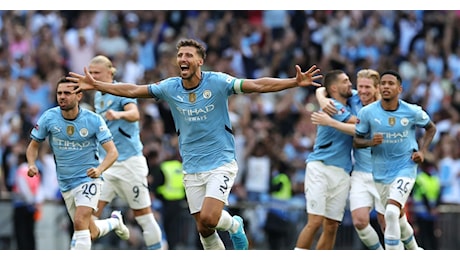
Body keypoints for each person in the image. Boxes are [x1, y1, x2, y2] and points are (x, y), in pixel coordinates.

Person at [67, 38, 322, 250]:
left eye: (188, 54)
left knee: (211, 217)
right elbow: (134, 90)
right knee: (203, 228)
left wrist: (292, 82)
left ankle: (234, 225)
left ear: (200, 60)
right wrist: (99, 85)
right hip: (191, 166)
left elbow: (256, 85)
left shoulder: (218, 82)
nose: (182, 59)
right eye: (179, 55)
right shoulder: (170, 87)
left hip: (220, 160)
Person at [26, 77, 130, 250]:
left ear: (79, 96)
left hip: (88, 178)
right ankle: (114, 222)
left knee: (80, 221)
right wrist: (31, 163)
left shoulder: (94, 120)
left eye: (67, 93)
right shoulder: (49, 117)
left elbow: (113, 152)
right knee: (90, 231)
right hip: (66, 183)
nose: (62, 97)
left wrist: (99, 169)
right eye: (59, 93)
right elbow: (33, 146)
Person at [353, 70, 437, 250]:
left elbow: (431, 128)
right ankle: (415, 250)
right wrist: (369, 142)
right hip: (380, 172)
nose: (386, 86)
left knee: (391, 212)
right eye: (383, 83)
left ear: (399, 89)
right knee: (397, 216)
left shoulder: (412, 111)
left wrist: (422, 151)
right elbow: (357, 141)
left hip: (406, 167)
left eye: (391, 84)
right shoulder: (367, 113)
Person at [88, 55, 163, 250]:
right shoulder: (98, 95)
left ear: (110, 72)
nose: (93, 77)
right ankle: (114, 223)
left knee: (144, 217)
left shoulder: (120, 91)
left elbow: (135, 114)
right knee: (87, 219)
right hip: (107, 165)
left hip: (130, 163)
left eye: (97, 73)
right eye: (91, 73)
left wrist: (119, 114)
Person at [313, 69, 386, 250]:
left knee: (387, 222)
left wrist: (331, 122)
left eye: (367, 88)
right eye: (360, 87)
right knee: (360, 221)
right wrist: (322, 98)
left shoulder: (384, 109)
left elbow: (363, 130)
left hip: (384, 172)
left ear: (377, 88)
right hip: (361, 172)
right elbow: (326, 89)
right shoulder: (355, 98)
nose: (362, 91)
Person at [294, 70, 354, 250]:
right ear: (334, 88)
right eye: (345, 81)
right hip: (321, 167)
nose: (350, 84)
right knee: (315, 221)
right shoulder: (333, 105)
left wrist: (319, 93)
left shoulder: (346, 103)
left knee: (331, 227)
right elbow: (360, 125)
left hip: (342, 171)